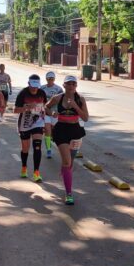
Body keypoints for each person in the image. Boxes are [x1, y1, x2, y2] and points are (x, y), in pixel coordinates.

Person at [45, 75, 88, 205]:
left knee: (70, 163)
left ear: (76, 86)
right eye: (68, 84)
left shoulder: (80, 99)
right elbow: (46, 107)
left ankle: (65, 172)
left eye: (73, 84)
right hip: (61, 130)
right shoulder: (58, 98)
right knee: (67, 162)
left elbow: (85, 118)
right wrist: (52, 113)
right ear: (64, 85)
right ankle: (69, 194)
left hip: (75, 130)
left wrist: (75, 106)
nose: (71, 86)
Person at [13, 74, 47, 182]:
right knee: (25, 148)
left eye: (37, 86)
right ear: (28, 84)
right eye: (33, 86)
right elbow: (15, 110)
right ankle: (24, 167)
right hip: (25, 122)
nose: (35, 88)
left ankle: (36, 172)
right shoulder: (23, 93)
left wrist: (46, 118)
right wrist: (27, 107)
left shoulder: (42, 93)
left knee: (37, 146)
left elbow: (45, 107)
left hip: (38, 122)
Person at [40, 71, 64, 159]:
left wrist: (60, 112)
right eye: (49, 78)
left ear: (54, 79)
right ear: (46, 79)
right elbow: (39, 100)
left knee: (57, 133)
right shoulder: (42, 88)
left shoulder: (58, 89)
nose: (50, 80)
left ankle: (64, 147)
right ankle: (49, 150)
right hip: (45, 113)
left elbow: (62, 101)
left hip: (55, 114)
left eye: (52, 78)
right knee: (47, 131)